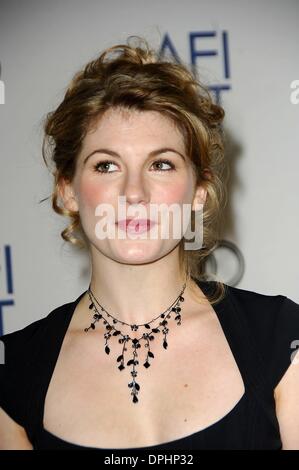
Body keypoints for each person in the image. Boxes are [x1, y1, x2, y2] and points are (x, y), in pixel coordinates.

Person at [0, 36, 299, 451]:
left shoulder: (283, 340)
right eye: (106, 165)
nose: (134, 192)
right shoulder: (12, 373)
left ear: (198, 190)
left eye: (161, 164)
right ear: (67, 190)